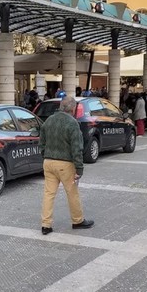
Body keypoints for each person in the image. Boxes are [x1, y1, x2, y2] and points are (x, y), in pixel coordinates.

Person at [39, 95, 93, 234]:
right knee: (72, 193)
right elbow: (76, 148)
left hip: (48, 162)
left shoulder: (49, 120)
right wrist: (79, 169)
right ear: (73, 109)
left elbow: (41, 142)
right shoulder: (72, 123)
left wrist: (45, 155)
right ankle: (77, 220)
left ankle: (46, 225)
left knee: (49, 194)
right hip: (65, 164)